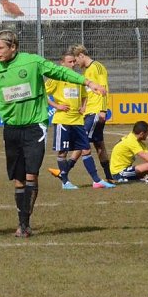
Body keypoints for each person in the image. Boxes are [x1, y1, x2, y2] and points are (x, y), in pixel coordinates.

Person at [0, 30, 106, 238]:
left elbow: (61, 72)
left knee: (31, 174)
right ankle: (23, 221)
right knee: (18, 179)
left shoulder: (33, 62)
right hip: (11, 129)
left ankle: (24, 224)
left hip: (35, 127)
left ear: (13, 47)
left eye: (1, 48)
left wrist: (89, 83)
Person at [45, 47, 115, 190]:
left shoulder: (77, 78)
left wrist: (83, 106)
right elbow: (42, 93)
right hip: (62, 120)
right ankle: (65, 182)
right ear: (62, 63)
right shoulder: (56, 78)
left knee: (86, 149)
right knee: (63, 152)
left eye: (73, 62)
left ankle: (96, 180)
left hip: (77, 120)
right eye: (70, 62)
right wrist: (56, 106)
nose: (73, 64)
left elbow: (84, 94)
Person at [72, 45, 113, 182]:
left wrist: (103, 110)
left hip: (96, 112)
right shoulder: (86, 72)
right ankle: (109, 176)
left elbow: (104, 89)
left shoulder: (97, 67)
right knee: (98, 143)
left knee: (82, 140)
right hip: (89, 112)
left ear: (81, 55)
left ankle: (65, 169)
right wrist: (83, 106)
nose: (76, 63)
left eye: (76, 60)